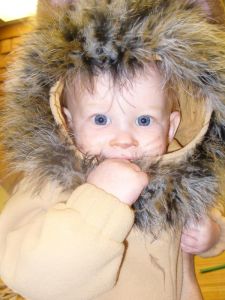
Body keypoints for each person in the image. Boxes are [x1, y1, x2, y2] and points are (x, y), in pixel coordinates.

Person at [0, 0, 225, 299]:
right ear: (68, 121)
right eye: (101, 119)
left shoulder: (178, 174)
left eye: (144, 120)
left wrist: (212, 236)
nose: (124, 139)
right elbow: (33, 277)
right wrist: (101, 202)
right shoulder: (47, 185)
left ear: (170, 126)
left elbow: (208, 220)